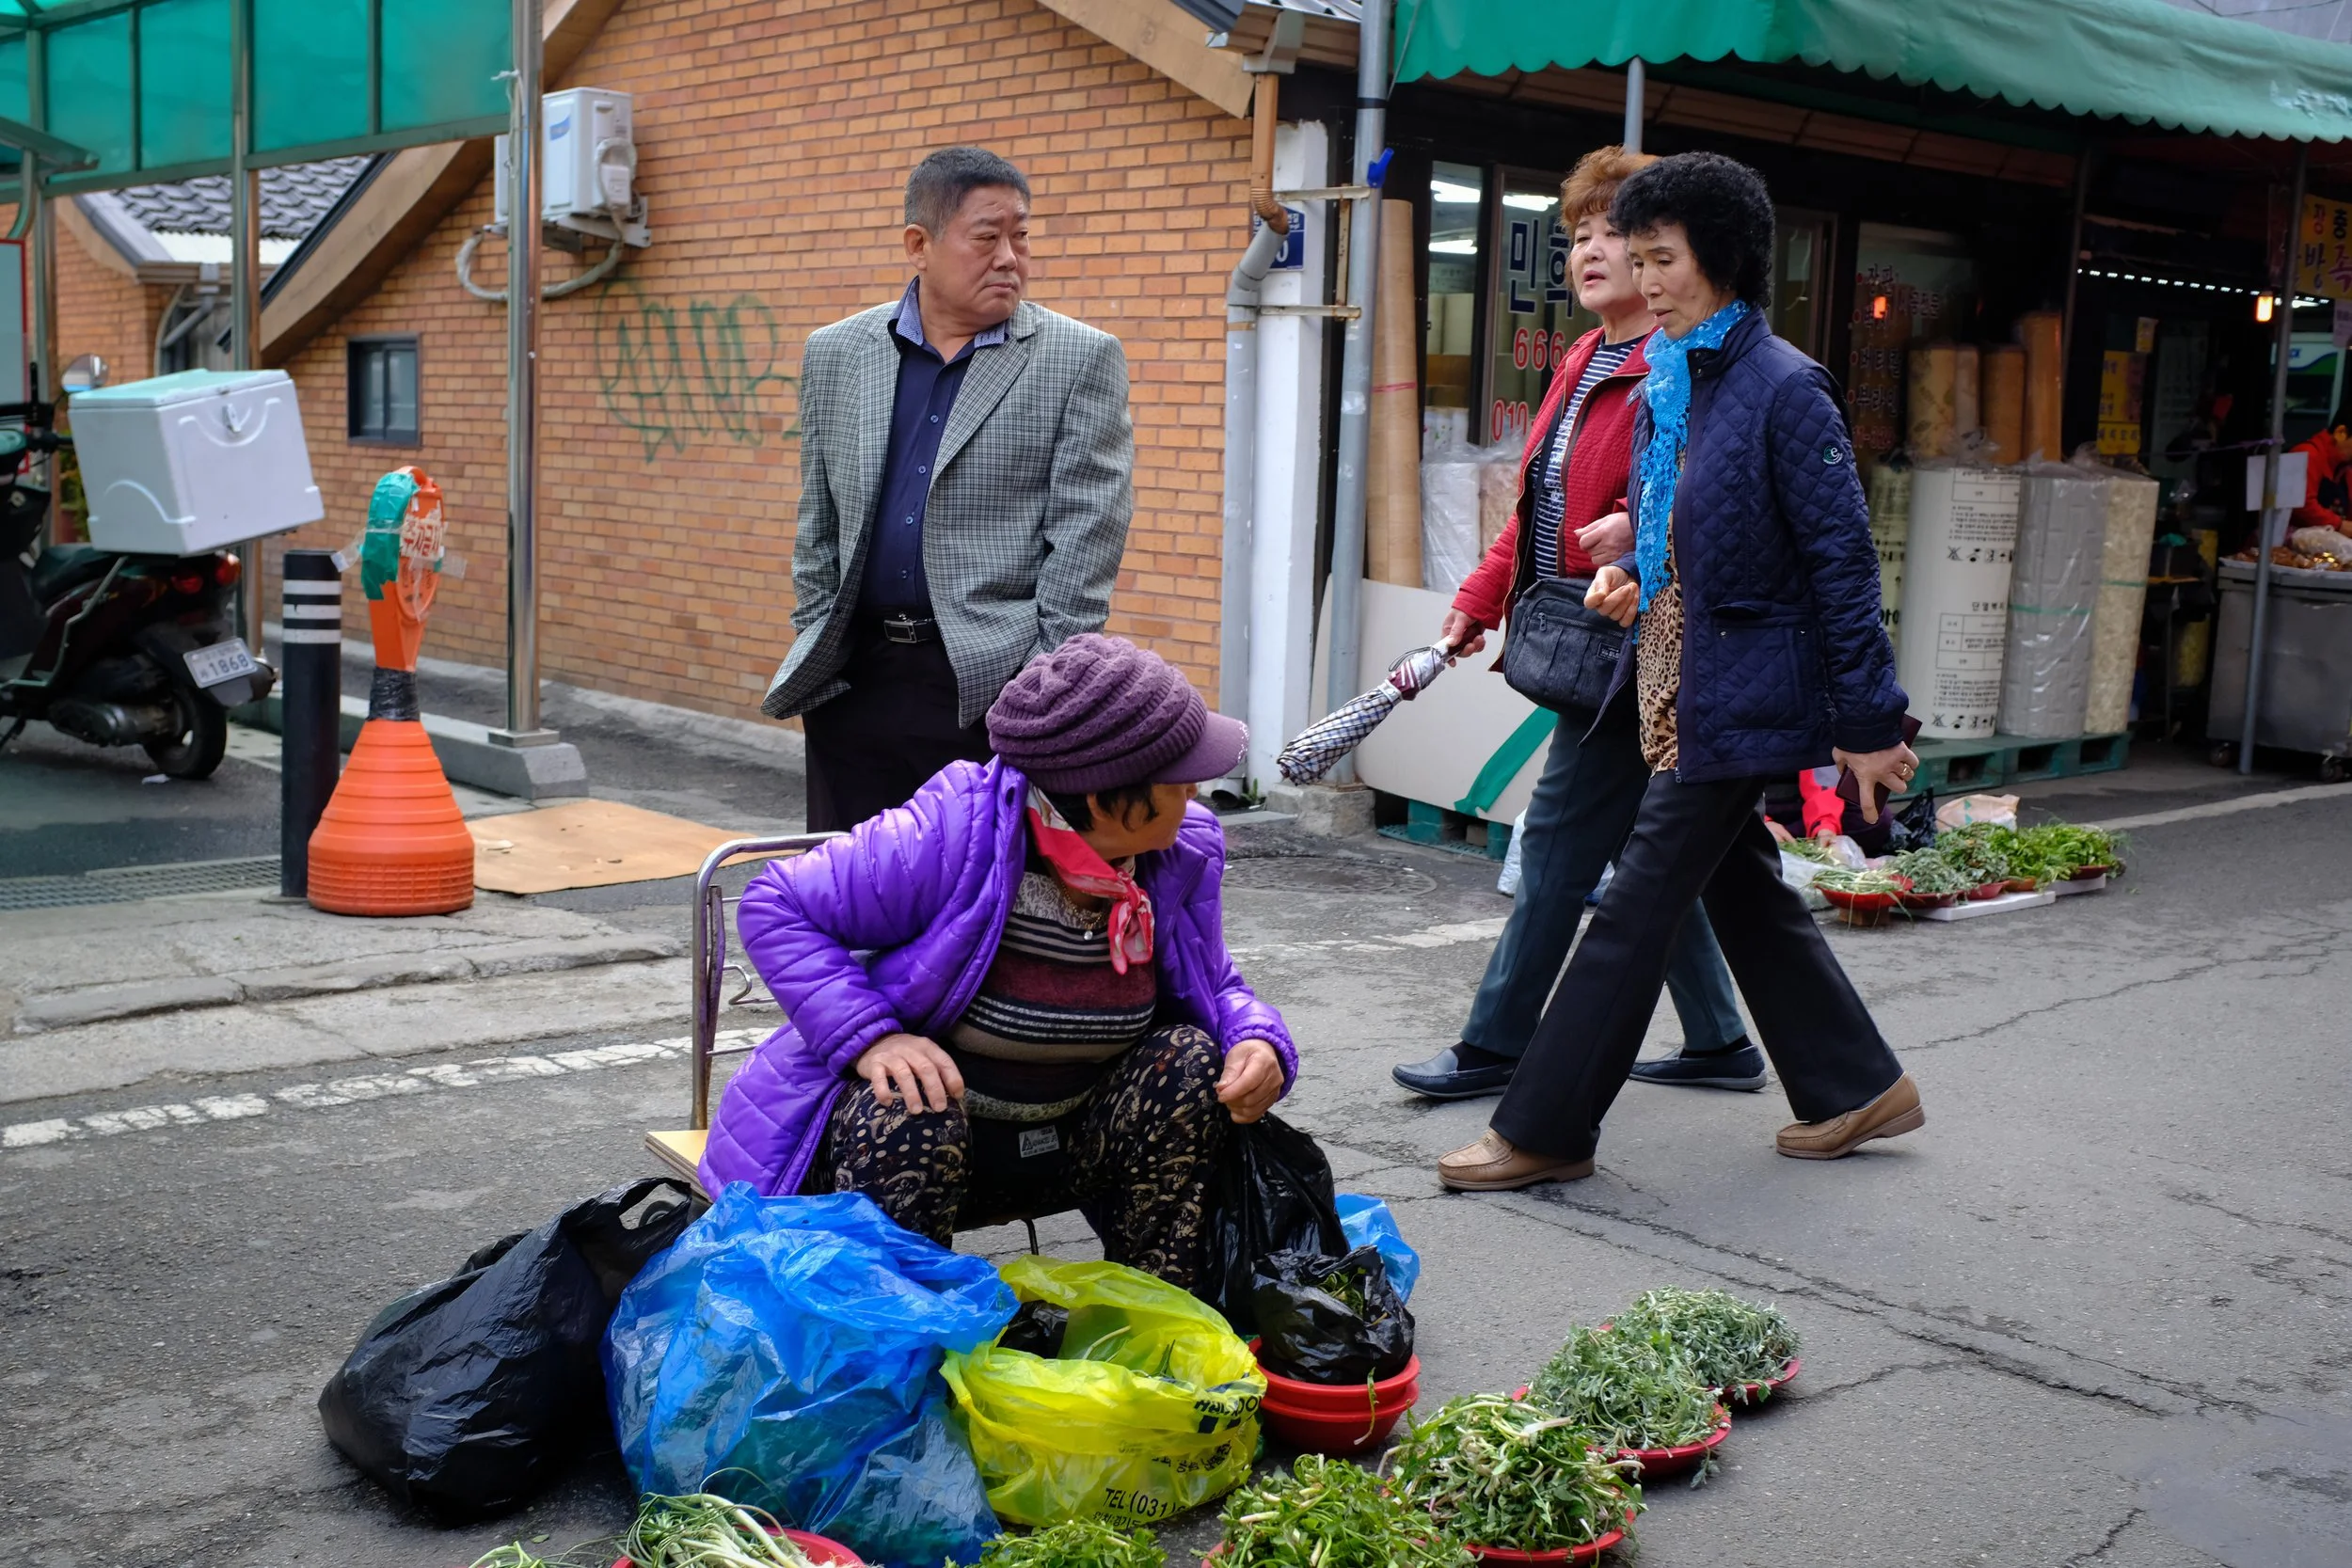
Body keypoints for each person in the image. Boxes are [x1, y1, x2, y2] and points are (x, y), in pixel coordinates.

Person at [1438, 151, 1926, 1192]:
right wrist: (1633, 563)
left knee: (1634, 903)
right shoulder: (1677, 368)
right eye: (1638, 253)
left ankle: (1547, 1123)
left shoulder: (1784, 387)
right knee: (1739, 883)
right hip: (1672, 671)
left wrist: (1871, 721)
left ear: (1723, 259)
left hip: (1740, 684)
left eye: (1663, 257)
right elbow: (1692, 521)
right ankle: (1854, 1084)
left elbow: (1840, 560)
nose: (1644, 276)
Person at [705, 634, 1294, 1290]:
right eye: (1179, 776)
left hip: (1070, 1135)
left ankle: (1157, 1321)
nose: (1197, 790)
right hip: (931, 1150)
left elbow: (1217, 983)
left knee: (1190, 1057)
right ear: (1102, 800)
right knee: (907, 1101)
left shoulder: (1180, 850)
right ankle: (905, 1347)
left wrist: (1255, 1038)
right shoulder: (955, 831)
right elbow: (777, 903)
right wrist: (870, 1037)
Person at [1393, 147, 1762, 1102]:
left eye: (1619, 237)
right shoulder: (1583, 357)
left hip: (1645, 642)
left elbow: (1715, 496)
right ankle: (1721, 1038)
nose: (1594, 253)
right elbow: (1535, 507)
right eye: (1579, 235)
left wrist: (1642, 531)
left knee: (1557, 838)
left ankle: (1495, 1042)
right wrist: (1479, 601)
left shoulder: (1680, 365)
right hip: (1583, 630)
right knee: (1650, 851)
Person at [764, 147, 1136, 832]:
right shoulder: (838, 353)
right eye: (987, 237)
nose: (1010, 258)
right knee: (852, 898)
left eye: (1020, 236)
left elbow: (1086, 546)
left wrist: (1036, 690)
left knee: (977, 909)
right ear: (919, 245)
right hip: (856, 681)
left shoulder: (1078, 359)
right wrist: (817, 635)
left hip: (990, 692)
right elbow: (818, 518)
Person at [2287, 405, 2352, 535]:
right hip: (2292, 544)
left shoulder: (2346, 467)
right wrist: (2339, 524)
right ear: (2341, 433)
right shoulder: (2306, 454)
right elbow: (2302, 506)